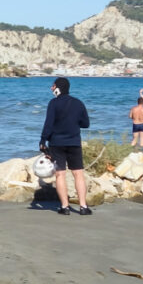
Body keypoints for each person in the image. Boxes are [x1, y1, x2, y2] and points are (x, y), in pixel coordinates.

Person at [39, 77, 92, 215]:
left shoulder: (53, 103)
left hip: (57, 143)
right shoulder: (78, 103)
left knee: (60, 174)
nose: (51, 88)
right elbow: (86, 124)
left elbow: (48, 124)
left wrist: (42, 140)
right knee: (78, 174)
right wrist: (73, 121)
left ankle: (65, 207)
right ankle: (83, 207)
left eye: (53, 86)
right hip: (74, 142)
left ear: (58, 87)